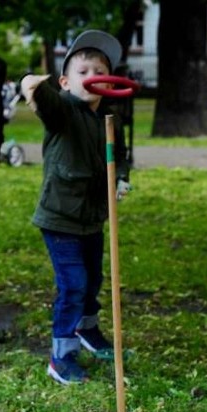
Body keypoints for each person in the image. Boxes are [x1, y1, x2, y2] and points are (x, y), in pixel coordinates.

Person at [20, 30, 132, 385]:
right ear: (66, 82)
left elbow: (121, 158)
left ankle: (88, 330)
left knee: (93, 281)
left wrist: (121, 178)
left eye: (100, 71)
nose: (93, 77)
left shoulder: (110, 120)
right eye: (84, 71)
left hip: (92, 218)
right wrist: (32, 85)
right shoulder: (64, 110)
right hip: (60, 219)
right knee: (73, 286)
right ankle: (61, 355)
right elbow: (45, 100)